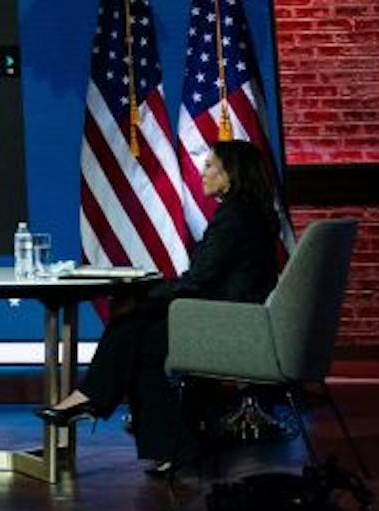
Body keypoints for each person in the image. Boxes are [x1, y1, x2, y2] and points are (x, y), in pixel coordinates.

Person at [38, 140, 284, 471]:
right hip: (232, 318)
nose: (202, 172)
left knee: (132, 324)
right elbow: (206, 278)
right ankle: (173, 447)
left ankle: (92, 399)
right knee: (142, 341)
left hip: (227, 326)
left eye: (210, 166)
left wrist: (145, 293)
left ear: (231, 175)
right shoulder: (250, 214)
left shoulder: (235, 217)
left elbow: (198, 281)